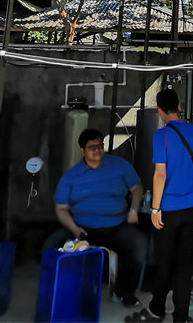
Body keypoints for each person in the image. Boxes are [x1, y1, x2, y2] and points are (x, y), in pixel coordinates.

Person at [126, 88, 193, 323]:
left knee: (165, 262)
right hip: (190, 206)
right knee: (184, 265)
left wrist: (155, 208)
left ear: (160, 110)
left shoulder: (161, 136)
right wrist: (191, 190)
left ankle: (157, 310)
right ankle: (181, 317)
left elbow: (159, 175)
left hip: (167, 211)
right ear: (179, 106)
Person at [48, 128, 148, 307]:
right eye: (92, 147)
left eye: (100, 146)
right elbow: (61, 209)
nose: (97, 150)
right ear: (82, 151)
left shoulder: (119, 165)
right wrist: (74, 229)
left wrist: (133, 210)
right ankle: (60, 293)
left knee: (138, 244)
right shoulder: (71, 176)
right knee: (50, 245)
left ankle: (124, 290)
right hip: (83, 228)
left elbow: (137, 187)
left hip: (116, 225)